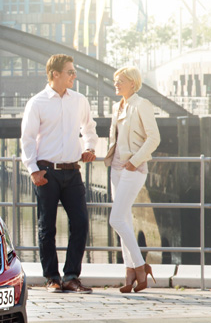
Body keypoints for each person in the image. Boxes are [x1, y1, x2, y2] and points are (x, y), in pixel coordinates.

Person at [21, 54, 98, 293]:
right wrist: (33, 170)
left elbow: (89, 128)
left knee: (81, 223)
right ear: (55, 74)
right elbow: (27, 139)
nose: (74, 75)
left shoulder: (79, 100)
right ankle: (52, 278)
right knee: (47, 227)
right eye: (70, 72)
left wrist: (89, 147)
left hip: (73, 171)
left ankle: (71, 276)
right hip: (47, 172)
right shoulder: (37, 102)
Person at [105, 66, 160, 293]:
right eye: (115, 80)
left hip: (133, 169)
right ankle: (129, 272)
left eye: (120, 80)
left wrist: (135, 161)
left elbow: (154, 138)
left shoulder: (141, 105)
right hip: (116, 169)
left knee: (116, 219)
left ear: (132, 83)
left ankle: (140, 265)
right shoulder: (117, 106)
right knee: (124, 219)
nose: (116, 84)